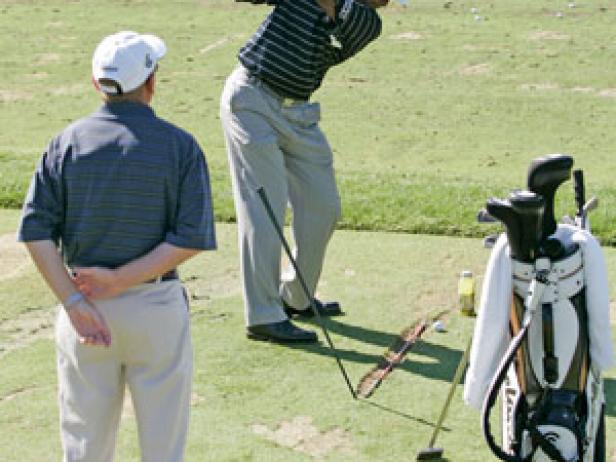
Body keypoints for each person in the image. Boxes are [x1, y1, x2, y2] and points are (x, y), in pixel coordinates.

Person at [18, 31, 216, 461]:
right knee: (163, 446)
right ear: (151, 82)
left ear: (96, 84)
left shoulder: (65, 143)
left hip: (84, 312)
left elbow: (35, 231)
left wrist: (72, 300)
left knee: (85, 447)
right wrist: (122, 279)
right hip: (156, 309)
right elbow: (190, 238)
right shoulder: (180, 146)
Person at [220, 0, 387, 343]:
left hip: (299, 115)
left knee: (323, 206)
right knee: (266, 207)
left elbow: (332, 7)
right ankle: (263, 315)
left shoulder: (367, 23)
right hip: (251, 99)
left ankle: (295, 296)